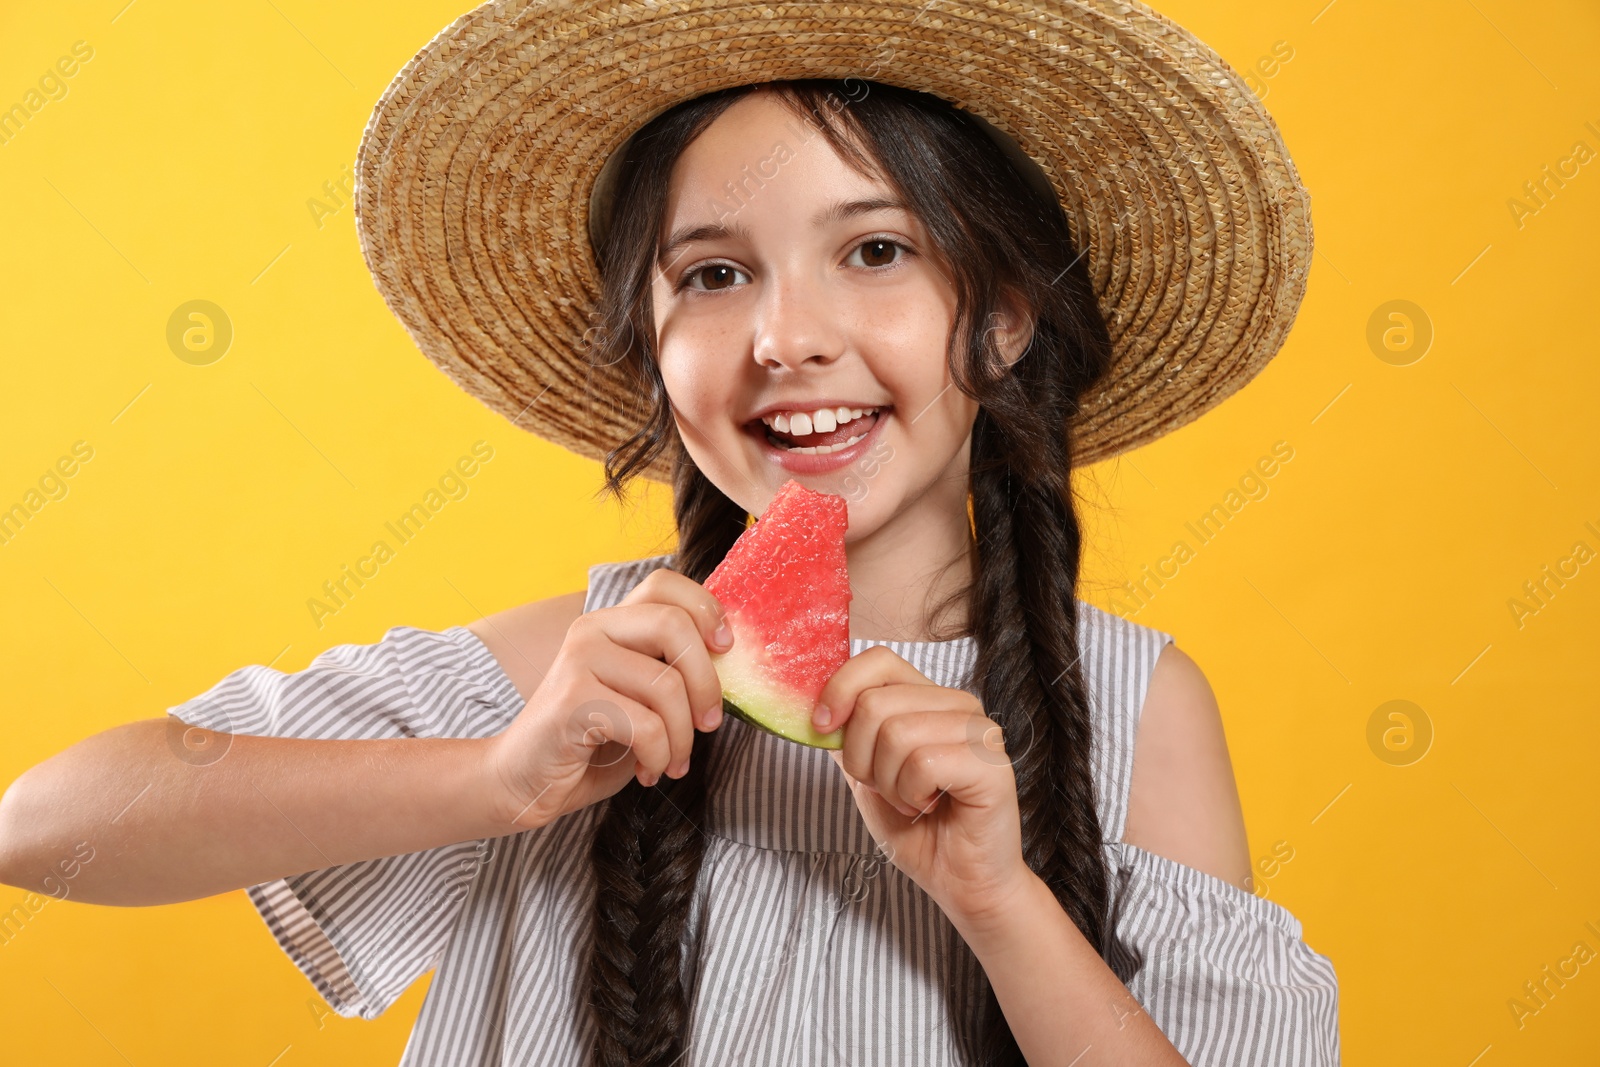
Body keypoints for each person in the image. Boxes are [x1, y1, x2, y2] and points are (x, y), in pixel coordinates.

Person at [0, 1, 1339, 1064]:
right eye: (713, 275)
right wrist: (496, 783)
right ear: (651, 353)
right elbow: (40, 827)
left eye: (874, 251)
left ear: (998, 318)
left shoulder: (1136, 711)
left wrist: (1004, 907)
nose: (786, 338)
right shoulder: (576, 675)